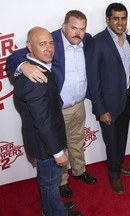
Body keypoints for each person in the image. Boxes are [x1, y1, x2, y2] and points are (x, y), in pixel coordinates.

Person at [6, 10, 97, 200]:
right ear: (63, 27)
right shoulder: (50, 41)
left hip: (78, 105)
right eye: (73, 28)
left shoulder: (86, 40)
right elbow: (14, 57)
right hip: (57, 110)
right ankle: (62, 183)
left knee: (77, 142)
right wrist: (24, 66)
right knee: (59, 147)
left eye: (82, 29)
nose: (77, 33)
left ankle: (79, 171)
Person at [10, 26, 82, 216]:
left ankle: (52, 207)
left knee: (47, 180)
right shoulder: (35, 80)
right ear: (29, 47)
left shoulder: (35, 68)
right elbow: (44, 122)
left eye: (51, 43)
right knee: (50, 182)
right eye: (42, 44)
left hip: (42, 140)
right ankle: (55, 213)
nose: (49, 48)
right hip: (46, 143)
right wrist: (58, 152)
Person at [86, 3, 130, 195]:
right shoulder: (97, 42)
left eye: (123, 18)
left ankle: (119, 164)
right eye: (116, 18)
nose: (120, 22)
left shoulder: (128, 38)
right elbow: (93, 79)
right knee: (112, 141)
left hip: (126, 99)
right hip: (108, 104)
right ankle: (113, 175)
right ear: (108, 19)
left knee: (122, 137)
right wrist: (101, 109)